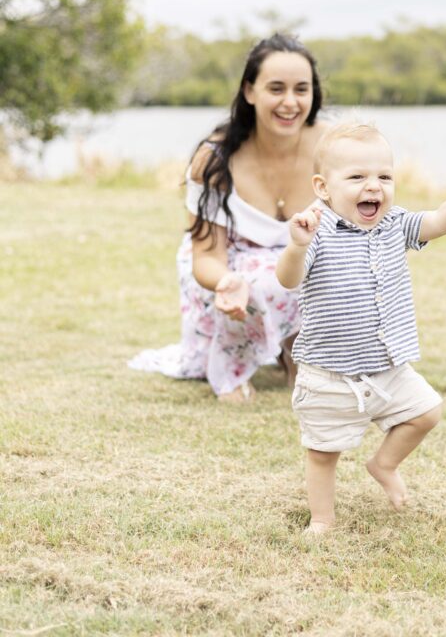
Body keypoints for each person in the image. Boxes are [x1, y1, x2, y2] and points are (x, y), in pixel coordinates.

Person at [276, 121, 446, 533]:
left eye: (384, 177)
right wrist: (296, 246)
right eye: (357, 177)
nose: (374, 187)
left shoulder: (394, 224)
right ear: (323, 187)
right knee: (323, 451)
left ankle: (383, 463)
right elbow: (288, 279)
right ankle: (322, 518)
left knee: (427, 412)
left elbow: (440, 222)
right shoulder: (317, 231)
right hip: (329, 371)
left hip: (387, 365)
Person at [129, 34, 328, 403]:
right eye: (276, 88)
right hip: (228, 263)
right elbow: (206, 256)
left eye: (302, 89)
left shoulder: (333, 147)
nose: (290, 102)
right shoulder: (215, 159)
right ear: (249, 91)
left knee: (321, 267)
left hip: (300, 258)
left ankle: (298, 352)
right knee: (258, 280)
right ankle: (232, 369)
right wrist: (226, 282)